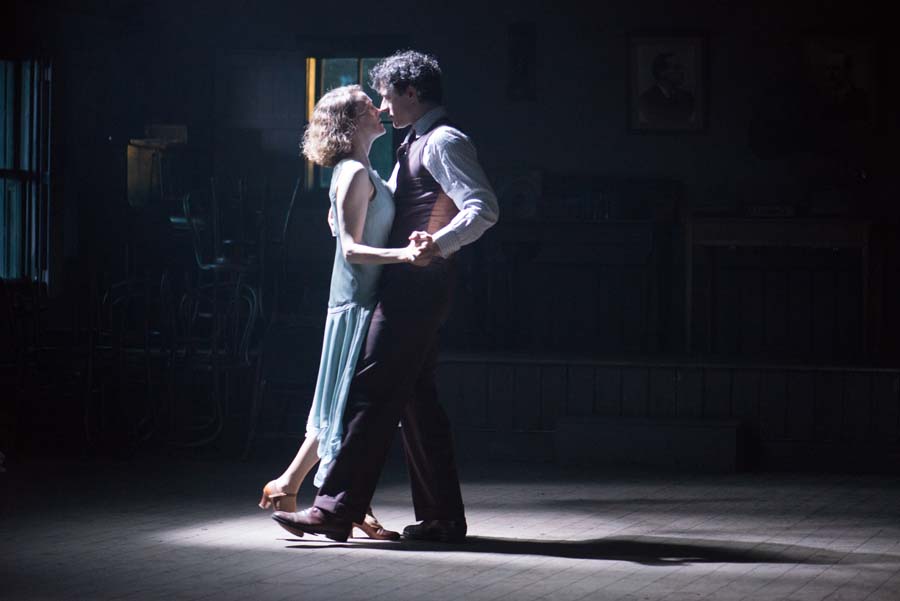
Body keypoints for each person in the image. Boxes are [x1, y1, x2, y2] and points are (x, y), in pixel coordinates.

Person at [273, 49, 499, 543]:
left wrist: (437, 243)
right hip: (409, 284)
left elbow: (483, 208)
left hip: (418, 286)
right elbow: (390, 203)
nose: (383, 106)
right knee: (417, 401)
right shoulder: (413, 143)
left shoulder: (443, 141)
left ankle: (334, 509)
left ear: (411, 93)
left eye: (387, 96)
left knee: (370, 389)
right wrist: (343, 211)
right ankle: (442, 518)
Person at [258, 83, 426, 541]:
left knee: (340, 405)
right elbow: (351, 249)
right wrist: (405, 256)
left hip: (361, 298)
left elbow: (351, 223)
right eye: (369, 105)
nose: (380, 108)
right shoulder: (353, 171)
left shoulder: (364, 171)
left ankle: (291, 486)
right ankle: (342, 504)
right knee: (345, 407)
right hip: (354, 302)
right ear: (352, 123)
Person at [638, 51, 696, 127]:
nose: (682, 71)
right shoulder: (646, 100)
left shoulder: (687, 98)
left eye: (681, 68)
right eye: (676, 68)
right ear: (662, 72)